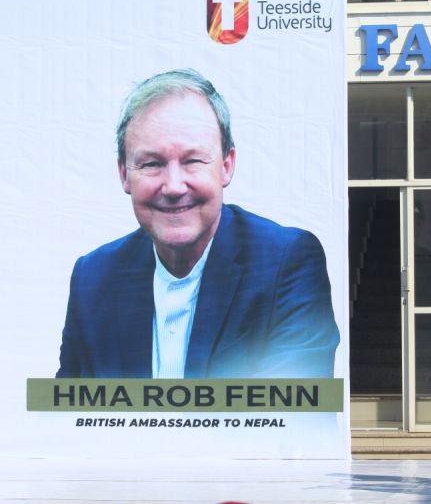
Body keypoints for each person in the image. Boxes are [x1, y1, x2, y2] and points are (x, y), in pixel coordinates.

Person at [56, 68, 340, 379]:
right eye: (152, 164)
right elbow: (69, 405)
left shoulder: (287, 262)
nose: (173, 186)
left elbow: (297, 404)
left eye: (193, 161)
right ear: (124, 174)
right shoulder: (93, 277)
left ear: (226, 166)